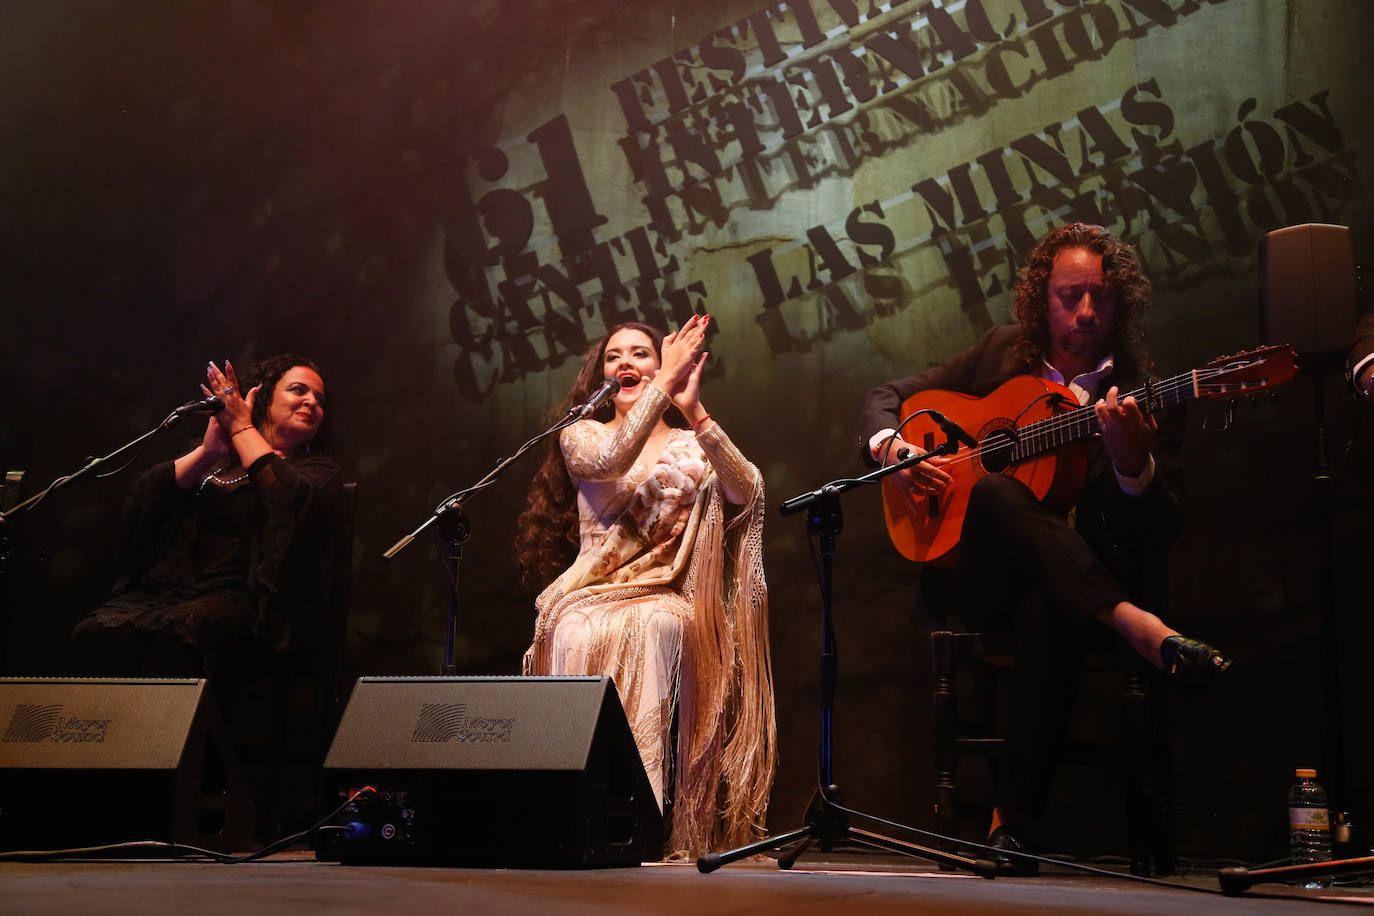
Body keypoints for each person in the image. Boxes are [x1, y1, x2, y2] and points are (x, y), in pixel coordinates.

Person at [859, 222, 1230, 871]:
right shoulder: (1002, 353)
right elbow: (885, 398)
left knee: (1048, 601)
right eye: (1069, 295)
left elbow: (1162, 529)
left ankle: (1012, 827)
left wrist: (1130, 466)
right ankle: (1141, 629)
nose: (1086, 311)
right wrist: (895, 448)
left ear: (1121, 303)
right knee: (998, 493)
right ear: (1041, 297)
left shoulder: (1147, 395)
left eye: (1100, 296)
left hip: (1076, 591)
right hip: (979, 583)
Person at [517, 317, 776, 858]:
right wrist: (664, 390)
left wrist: (695, 410)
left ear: (664, 366)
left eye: (641, 353)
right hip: (592, 592)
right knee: (571, 627)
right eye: (615, 356)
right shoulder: (583, 433)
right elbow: (611, 463)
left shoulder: (690, 442)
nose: (626, 364)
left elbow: (747, 490)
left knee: (655, 622)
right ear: (601, 372)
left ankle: (645, 819)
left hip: (666, 593)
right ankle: (565, 814)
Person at [70, 354, 343, 683]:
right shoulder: (220, 462)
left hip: (243, 601)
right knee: (94, 632)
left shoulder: (318, 472)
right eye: (299, 390)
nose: (312, 401)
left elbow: (286, 496)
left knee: (182, 635)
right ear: (265, 395)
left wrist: (243, 426)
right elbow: (146, 498)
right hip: (172, 592)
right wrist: (208, 453)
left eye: (320, 399)